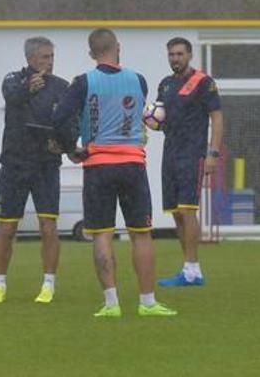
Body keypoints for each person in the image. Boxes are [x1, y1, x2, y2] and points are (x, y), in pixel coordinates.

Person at [52, 28, 176, 317]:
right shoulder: (138, 80)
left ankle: (111, 304)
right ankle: (148, 302)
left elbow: (60, 116)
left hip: (98, 166)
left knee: (102, 234)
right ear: (118, 47)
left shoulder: (83, 82)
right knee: (141, 234)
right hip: (133, 164)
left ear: (91, 53)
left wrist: (71, 147)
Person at [0, 37, 69, 304]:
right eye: (45, 57)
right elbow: (11, 97)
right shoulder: (13, 80)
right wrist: (27, 89)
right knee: (7, 228)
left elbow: (70, 122)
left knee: (48, 225)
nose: (50, 62)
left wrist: (66, 144)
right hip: (15, 163)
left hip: (46, 165)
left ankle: (48, 284)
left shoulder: (61, 87)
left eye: (52, 57)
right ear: (31, 59)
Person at [155, 37, 223, 287]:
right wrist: (152, 121)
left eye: (180, 54)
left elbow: (217, 118)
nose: (175, 58)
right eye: (171, 54)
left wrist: (212, 153)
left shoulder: (203, 83)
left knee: (187, 210)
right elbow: (159, 117)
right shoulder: (165, 85)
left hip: (192, 155)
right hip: (169, 154)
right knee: (176, 214)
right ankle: (189, 269)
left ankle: (192, 268)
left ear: (190, 55)